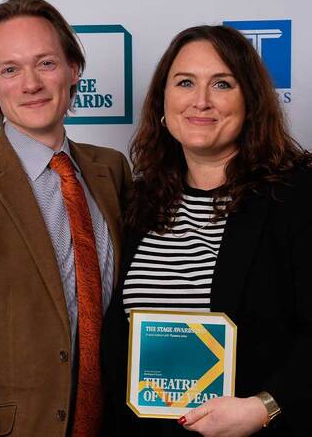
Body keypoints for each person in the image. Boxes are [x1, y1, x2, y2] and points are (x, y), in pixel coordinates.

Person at [102, 25, 312, 437]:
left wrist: (265, 407)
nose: (201, 101)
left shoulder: (296, 196)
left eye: (222, 84)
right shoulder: (140, 200)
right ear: (163, 102)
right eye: (185, 83)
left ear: (249, 101)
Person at [0, 0, 131, 437]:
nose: (31, 83)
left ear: (74, 69)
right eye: (10, 70)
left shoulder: (112, 169)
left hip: (117, 418)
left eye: (46, 63)